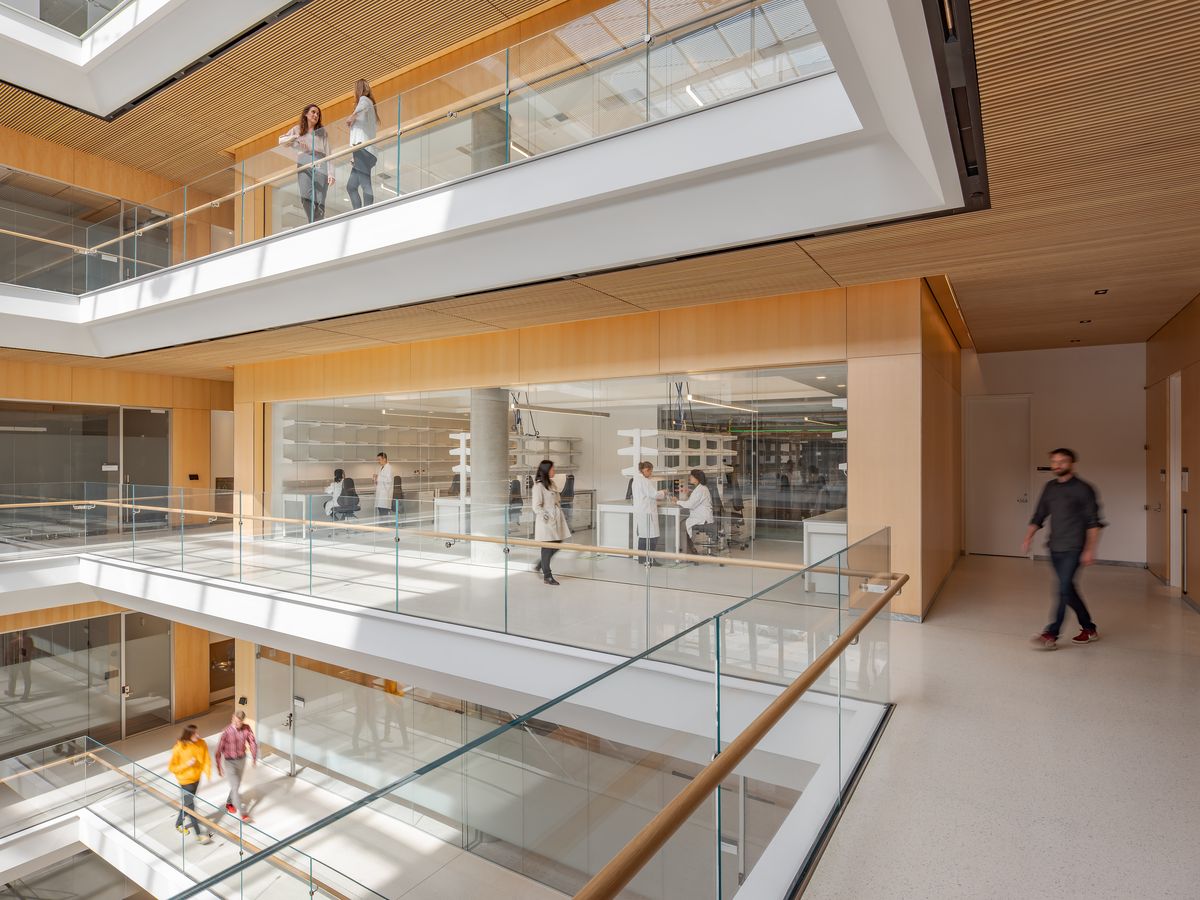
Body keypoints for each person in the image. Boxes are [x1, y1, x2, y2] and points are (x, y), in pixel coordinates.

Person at [1022, 448, 1104, 650]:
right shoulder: (1050, 487)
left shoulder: (1084, 489)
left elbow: (1094, 522)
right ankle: (1089, 628)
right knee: (1068, 590)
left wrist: (1089, 550)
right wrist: (1028, 538)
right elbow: (1039, 515)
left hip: (1075, 547)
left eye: (1062, 461)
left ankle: (1051, 634)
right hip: (1055, 547)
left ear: (1072, 464)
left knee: (1062, 590)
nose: (1057, 465)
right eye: (1054, 461)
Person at [279, 104, 334, 222]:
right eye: (313, 112)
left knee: (320, 200)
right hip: (303, 162)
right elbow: (281, 141)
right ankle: (313, 222)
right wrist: (296, 137)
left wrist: (331, 173)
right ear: (306, 114)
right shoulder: (297, 129)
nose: (316, 115)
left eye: (318, 114)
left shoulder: (322, 132)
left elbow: (329, 153)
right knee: (305, 197)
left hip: (320, 162)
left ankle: (315, 224)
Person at [168, 724, 214, 843]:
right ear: (188, 735)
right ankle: (199, 835)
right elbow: (172, 767)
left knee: (187, 804)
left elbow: (206, 759)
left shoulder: (202, 743)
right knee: (191, 808)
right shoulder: (179, 747)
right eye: (195, 734)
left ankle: (178, 823)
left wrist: (208, 773)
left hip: (196, 779)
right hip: (185, 781)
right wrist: (186, 764)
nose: (198, 735)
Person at [532, 459, 571, 586]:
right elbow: (536, 506)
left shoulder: (552, 483)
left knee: (558, 543)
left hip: (556, 518)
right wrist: (546, 516)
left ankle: (540, 564)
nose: (554, 470)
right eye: (553, 468)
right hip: (546, 521)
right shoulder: (538, 486)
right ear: (546, 470)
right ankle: (547, 576)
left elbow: (556, 500)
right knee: (547, 548)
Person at [215, 710, 258, 822]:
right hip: (229, 762)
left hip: (241, 760)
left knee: (236, 784)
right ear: (232, 718)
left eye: (239, 722)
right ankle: (243, 814)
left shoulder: (246, 728)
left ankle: (229, 802)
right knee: (235, 786)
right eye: (235, 720)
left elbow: (252, 742)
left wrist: (254, 757)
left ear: (242, 721)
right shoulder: (226, 732)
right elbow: (219, 750)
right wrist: (218, 766)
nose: (236, 723)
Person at [345, 79, 378, 209]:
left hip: (362, 149)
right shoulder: (370, 105)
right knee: (351, 186)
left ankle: (366, 213)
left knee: (365, 184)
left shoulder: (364, 100)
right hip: (365, 151)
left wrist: (351, 117)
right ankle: (358, 212)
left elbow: (360, 109)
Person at [632, 460, 666, 565]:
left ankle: (642, 559)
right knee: (652, 536)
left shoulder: (636, 480)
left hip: (641, 510)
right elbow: (654, 494)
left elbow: (645, 496)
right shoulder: (644, 481)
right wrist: (664, 492)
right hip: (647, 511)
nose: (651, 474)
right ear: (646, 470)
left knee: (643, 535)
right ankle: (650, 559)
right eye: (650, 472)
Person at [676, 469, 714, 557]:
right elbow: (694, 501)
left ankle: (688, 553)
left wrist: (677, 501)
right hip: (702, 517)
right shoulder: (701, 488)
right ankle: (690, 550)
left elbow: (690, 505)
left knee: (682, 525)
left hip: (702, 518)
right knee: (683, 524)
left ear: (697, 479)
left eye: (691, 476)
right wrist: (689, 495)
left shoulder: (700, 489)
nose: (690, 478)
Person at [4, 631, 33, 701]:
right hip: (26, 662)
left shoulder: (13, 643)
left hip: (15, 663)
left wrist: (6, 665)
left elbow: (9, 654)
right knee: (27, 678)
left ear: (17, 634)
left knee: (12, 677)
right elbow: (30, 650)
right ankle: (25, 696)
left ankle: (11, 692)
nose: (12, 633)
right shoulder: (29, 640)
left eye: (14, 632)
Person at [374, 452, 394, 518]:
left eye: (379, 459)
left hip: (385, 495)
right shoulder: (381, 468)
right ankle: (382, 527)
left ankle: (384, 527)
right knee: (381, 513)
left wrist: (378, 477)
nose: (378, 461)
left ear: (384, 459)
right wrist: (376, 480)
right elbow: (381, 480)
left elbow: (388, 480)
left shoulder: (389, 468)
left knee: (384, 513)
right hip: (380, 495)